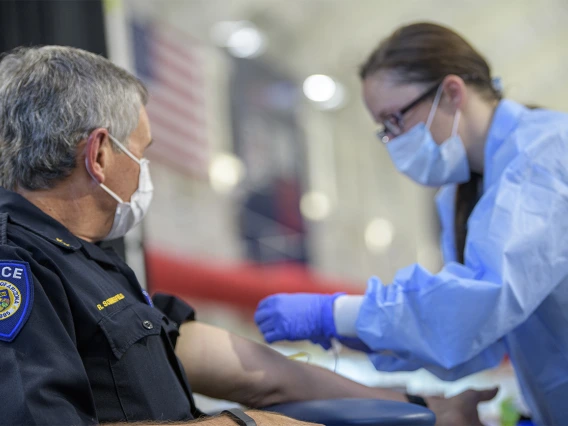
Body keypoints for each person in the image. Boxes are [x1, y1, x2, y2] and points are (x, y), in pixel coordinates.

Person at [0, 45, 495, 426]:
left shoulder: (95, 266)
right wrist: (245, 424)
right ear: (100, 155)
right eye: (141, 151)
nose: (144, 170)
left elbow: (262, 377)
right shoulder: (16, 266)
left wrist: (427, 405)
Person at [254, 22, 568, 426]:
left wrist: (341, 313)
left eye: (395, 119)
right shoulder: (462, 193)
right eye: (384, 130)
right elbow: (472, 339)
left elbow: (483, 300)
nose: (394, 139)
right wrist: (370, 334)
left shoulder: (545, 154)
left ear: (452, 93)